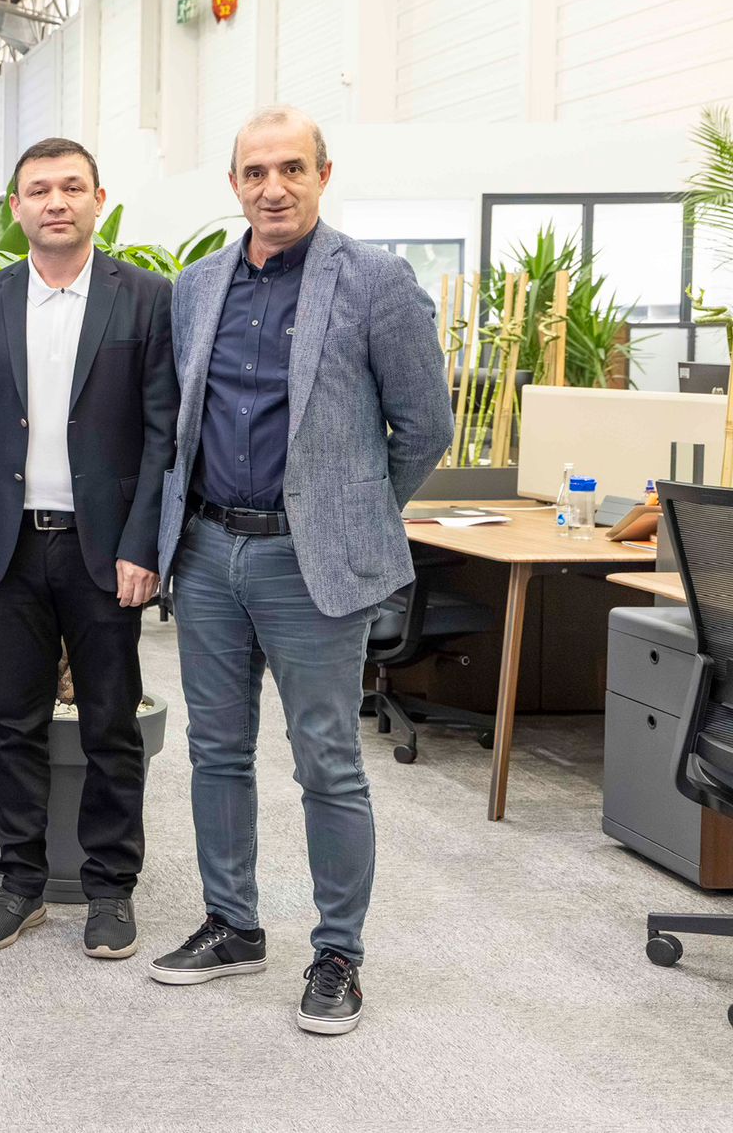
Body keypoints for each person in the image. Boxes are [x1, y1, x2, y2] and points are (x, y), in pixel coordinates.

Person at [148, 105, 452, 1035]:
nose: (272, 188)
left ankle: (337, 954)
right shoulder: (197, 286)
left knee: (327, 759)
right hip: (207, 551)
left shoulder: (375, 280)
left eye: (291, 169)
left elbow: (425, 426)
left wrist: (346, 509)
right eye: (255, 172)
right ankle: (233, 925)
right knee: (216, 750)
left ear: (323, 174)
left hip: (306, 560)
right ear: (234, 184)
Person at [0, 137, 176, 957]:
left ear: (98, 200)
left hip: (104, 552)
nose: (56, 202)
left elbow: (162, 434)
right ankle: (20, 882)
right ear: (17, 208)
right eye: (39, 189)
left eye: (72, 187)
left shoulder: (145, 298)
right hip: (10, 550)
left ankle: (111, 888)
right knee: (16, 722)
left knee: (111, 723)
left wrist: (145, 544)